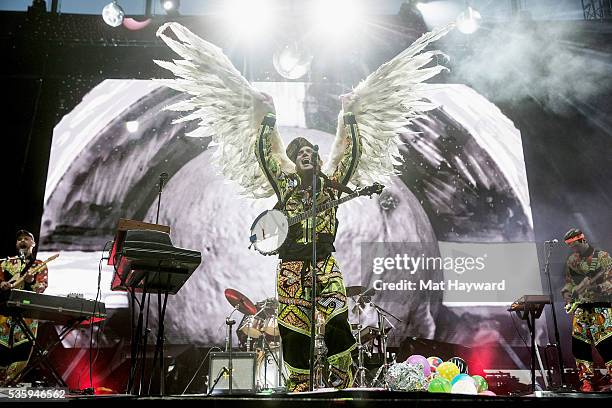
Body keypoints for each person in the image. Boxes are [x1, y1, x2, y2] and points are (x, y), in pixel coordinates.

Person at [254, 97, 360, 392]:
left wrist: (348, 115)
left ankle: (341, 385)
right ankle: (300, 390)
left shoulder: (331, 186)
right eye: (299, 152)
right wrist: (269, 118)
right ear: (293, 160)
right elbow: (265, 156)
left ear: (317, 158)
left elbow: (350, 156)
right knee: (294, 335)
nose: (305, 155)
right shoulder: (286, 188)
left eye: (309, 151)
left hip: (325, 265)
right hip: (290, 271)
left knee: (338, 321)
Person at [561, 228, 612, 392]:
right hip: (580, 310)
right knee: (579, 347)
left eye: (574, 245)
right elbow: (569, 282)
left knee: (607, 345)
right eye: (569, 246)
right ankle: (586, 382)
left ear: (582, 240)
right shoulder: (572, 261)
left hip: (600, 309)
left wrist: (594, 288)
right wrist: (568, 294)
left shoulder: (602, 257)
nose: (572, 249)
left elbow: (611, 283)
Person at [0, 229, 49, 385]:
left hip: (27, 314)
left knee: (22, 350)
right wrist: (2, 284)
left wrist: (29, 281)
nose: (22, 241)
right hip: (4, 313)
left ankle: (10, 384)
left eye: (26, 238)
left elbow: (41, 287)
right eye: (19, 239)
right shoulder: (5, 263)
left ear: (33, 244)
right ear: (16, 244)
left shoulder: (39, 265)